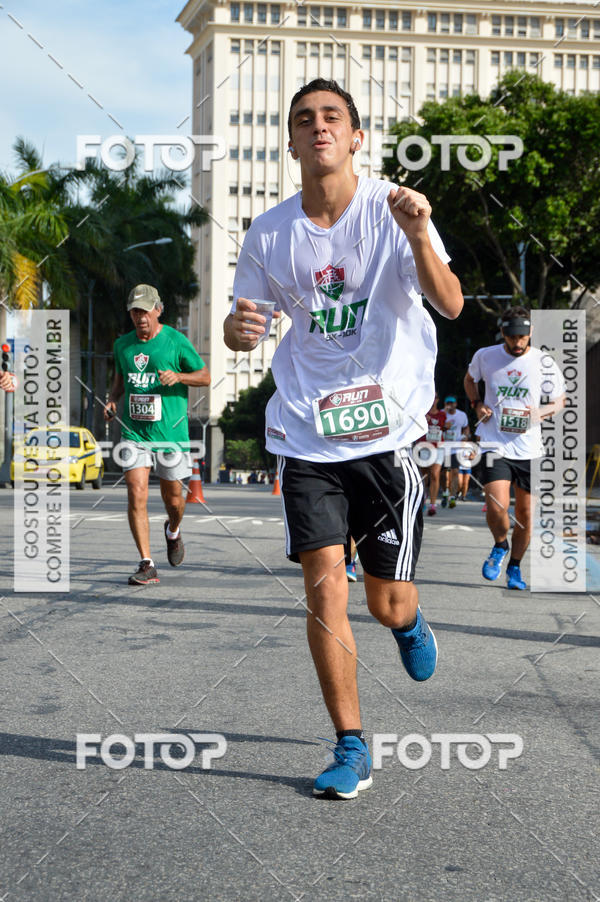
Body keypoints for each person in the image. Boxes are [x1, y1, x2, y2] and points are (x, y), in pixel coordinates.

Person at [223, 79, 463, 799]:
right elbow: (246, 325)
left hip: (386, 435)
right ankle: (351, 745)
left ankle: (409, 619)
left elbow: (449, 303)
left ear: (356, 137)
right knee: (324, 592)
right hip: (306, 433)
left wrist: (421, 233)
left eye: (333, 117)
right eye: (304, 120)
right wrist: (239, 332)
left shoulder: (395, 211)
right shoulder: (269, 232)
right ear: (291, 142)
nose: (318, 127)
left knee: (385, 601)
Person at [105, 284, 210, 585]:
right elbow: (120, 379)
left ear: (158, 310)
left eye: (145, 311)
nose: (140, 317)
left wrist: (180, 376)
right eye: (135, 311)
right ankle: (146, 563)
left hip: (170, 435)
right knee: (136, 492)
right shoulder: (123, 345)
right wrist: (113, 400)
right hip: (135, 434)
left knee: (174, 500)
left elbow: (205, 376)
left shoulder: (176, 342)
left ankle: (173, 531)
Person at [464, 305, 564, 590]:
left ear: (530, 332)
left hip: (530, 447)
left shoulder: (544, 362)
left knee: (526, 514)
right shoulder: (485, 356)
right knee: (496, 505)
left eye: (523, 337)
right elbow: (470, 380)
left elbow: (559, 401)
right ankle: (499, 545)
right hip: (495, 442)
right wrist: (477, 404)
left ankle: (515, 568)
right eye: (512, 337)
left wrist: (541, 413)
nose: (518, 343)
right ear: (502, 333)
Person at [415, 392, 446, 516]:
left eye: (436, 397)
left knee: (435, 474)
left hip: (438, 447)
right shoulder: (421, 412)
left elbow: (443, 425)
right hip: (424, 446)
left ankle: (432, 505)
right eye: (432, 396)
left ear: (438, 400)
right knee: (424, 476)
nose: (433, 399)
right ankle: (423, 497)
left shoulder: (442, 414)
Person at [441, 396, 469, 507]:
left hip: (455, 447)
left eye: (452, 403)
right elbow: (437, 427)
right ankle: (445, 492)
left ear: (456, 404)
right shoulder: (441, 414)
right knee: (443, 474)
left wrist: (465, 436)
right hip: (442, 448)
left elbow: (466, 428)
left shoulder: (462, 415)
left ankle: (452, 497)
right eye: (448, 403)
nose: (450, 405)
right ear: (444, 404)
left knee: (455, 472)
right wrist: (444, 423)